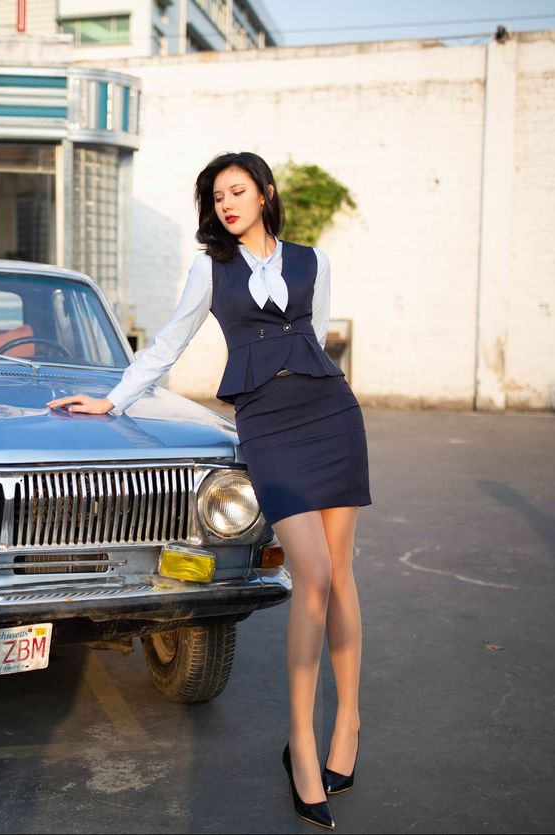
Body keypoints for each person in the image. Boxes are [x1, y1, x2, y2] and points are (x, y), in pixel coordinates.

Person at [47, 151, 370, 830]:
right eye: (216, 195)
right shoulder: (209, 268)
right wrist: (112, 399)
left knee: (342, 575)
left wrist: (337, 401)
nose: (226, 203)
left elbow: (312, 335)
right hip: (269, 423)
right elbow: (169, 342)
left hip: (331, 415)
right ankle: (302, 746)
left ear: (265, 195)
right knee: (309, 577)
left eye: (237, 191)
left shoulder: (313, 261)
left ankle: (349, 723)